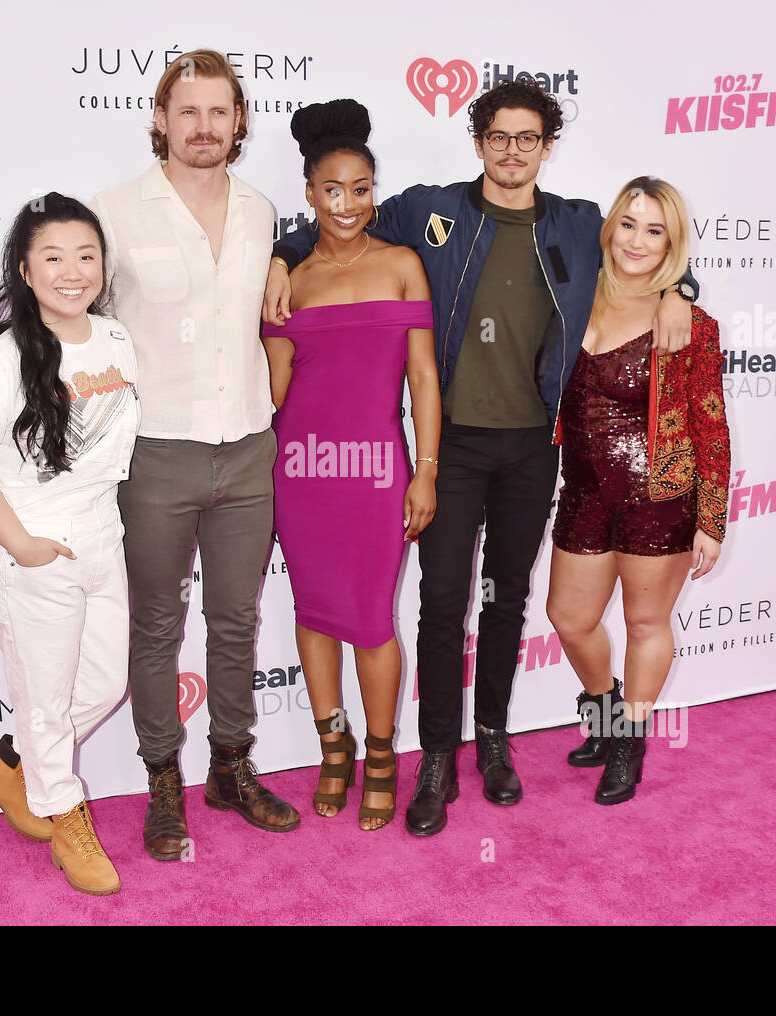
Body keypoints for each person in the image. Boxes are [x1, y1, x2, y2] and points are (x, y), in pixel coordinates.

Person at [265, 80, 700, 836]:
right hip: (452, 445)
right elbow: (343, 221)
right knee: (440, 606)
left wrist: (680, 293)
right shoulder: (429, 210)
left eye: (526, 138)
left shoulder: (576, 224)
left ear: (546, 146)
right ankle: (435, 756)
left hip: (534, 446)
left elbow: (646, 260)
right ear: (478, 143)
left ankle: (491, 740)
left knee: (502, 602)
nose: (511, 151)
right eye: (498, 137)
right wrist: (281, 251)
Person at [0, 51, 300, 861]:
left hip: (247, 445)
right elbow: (63, 309)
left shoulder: (261, 210)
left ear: (239, 122)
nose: (203, 127)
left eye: (219, 112)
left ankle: (232, 766)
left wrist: (286, 256)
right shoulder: (115, 211)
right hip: (153, 455)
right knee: (154, 626)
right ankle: (163, 782)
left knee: (238, 618)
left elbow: (295, 258)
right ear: (161, 120)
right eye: (188, 112)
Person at [0, 192, 139, 895]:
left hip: (101, 537)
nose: (72, 270)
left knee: (104, 683)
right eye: (52, 257)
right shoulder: (2, 363)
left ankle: (8, 765)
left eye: (85, 255)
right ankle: (65, 817)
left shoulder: (116, 339)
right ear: (24, 272)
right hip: (33, 546)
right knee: (46, 701)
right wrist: (22, 546)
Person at [261, 99, 439, 831]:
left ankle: (381, 754)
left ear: (374, 189)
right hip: (300, 473)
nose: (347, 204)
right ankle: (332, 748)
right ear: (308, 195)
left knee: (369, 619)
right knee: (314, 614)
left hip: (376, 473)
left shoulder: (403, 265)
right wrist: (263, 318)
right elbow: (274, 391)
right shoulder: (290, 280)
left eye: (361, 188)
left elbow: (424, 378)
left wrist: (424, 470)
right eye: (331, 190)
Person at [546, 176, 730, 805]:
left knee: (645, 620)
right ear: (609, 226)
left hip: (661, 497)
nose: (637, 240)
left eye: (655, 230)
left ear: (672, 242)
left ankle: (630, 734)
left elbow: (711, 424)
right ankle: (601, 710)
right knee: (569, 619)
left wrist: (712, 519)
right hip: (584, 491)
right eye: (628, 223)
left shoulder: (688, 324)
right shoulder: (570, 296)